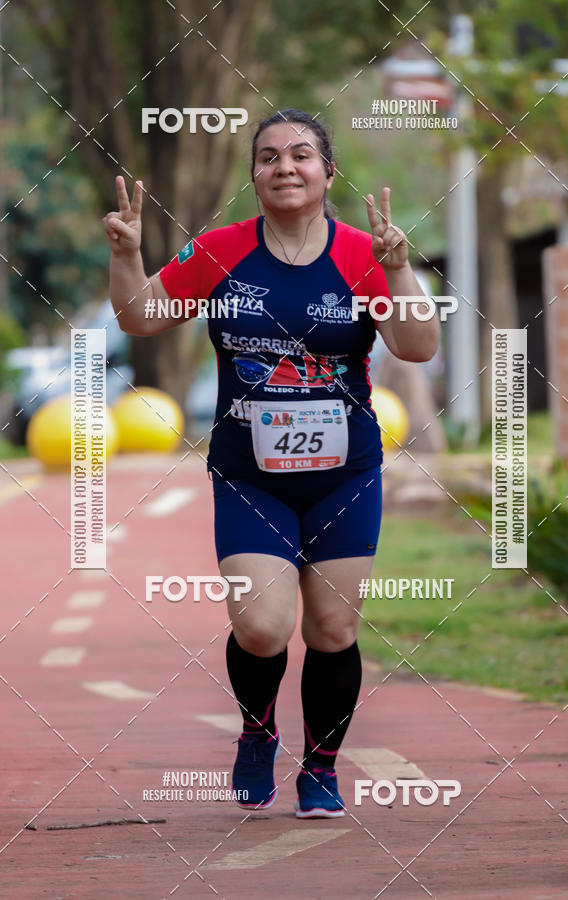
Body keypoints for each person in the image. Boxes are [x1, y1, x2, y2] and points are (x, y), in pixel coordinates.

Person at [104, 108, 439, 818]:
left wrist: (399, 269)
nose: (284, 167)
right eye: (268, 157)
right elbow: (139, 317)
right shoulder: (222, 251)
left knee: (333, 630)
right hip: (248, 471)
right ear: (253, 174)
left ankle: (320, 767)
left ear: (327, 172)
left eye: (301, 155)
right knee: (260, 626)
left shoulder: (359, 254)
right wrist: (127, 254)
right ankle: (258, 733)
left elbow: (417, 347)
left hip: (345, 474)